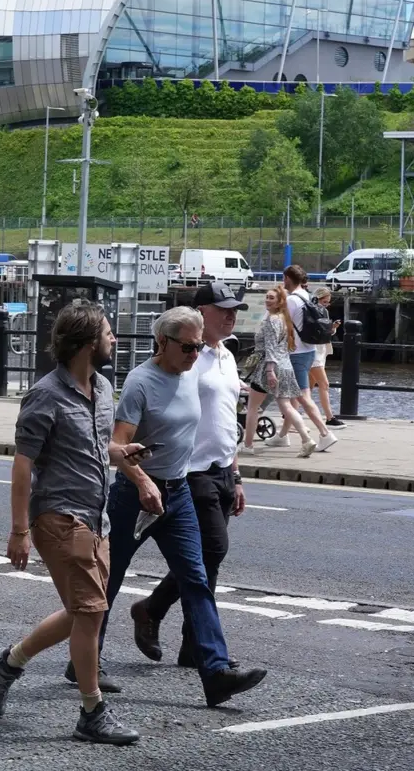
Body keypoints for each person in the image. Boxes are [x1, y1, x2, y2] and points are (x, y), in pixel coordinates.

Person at [66, 306, 267, 708]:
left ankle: (216, 673)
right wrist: (143, 482)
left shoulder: (192, 373)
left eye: (198, 347)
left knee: (196, 577)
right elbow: (117, 447)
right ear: (163, 343)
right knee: (108, 578)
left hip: (178, 494)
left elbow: (215, 424)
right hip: (134, 496)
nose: (196, 354)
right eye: (189, 347)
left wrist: (233, 470)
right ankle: (83, 662)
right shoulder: (142, 383)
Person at [0, 300, 140, 746]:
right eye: (109, 333)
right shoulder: (46, 394)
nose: (114, 340)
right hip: (58, 518)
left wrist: (121, 454)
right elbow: (23, 464)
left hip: (96, 517)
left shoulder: (104, 388)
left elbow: (94, 447)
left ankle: (7, 662)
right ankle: (92, 712)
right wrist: (18, 531)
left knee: (81, 612)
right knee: (91, 612)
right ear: (89, 343)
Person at [128, 282, 248, 669]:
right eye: (223, 309)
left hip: (220, 470)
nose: (231, 315)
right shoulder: (186, 359)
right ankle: (155, 612)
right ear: (199, 313)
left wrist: (237, 474)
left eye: (235, 309)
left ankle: (189, 644)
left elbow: (225, 419)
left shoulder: (226, 356)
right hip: (187, 472)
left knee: (204, 563)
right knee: (211, 552)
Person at [241, 287, 317, 459]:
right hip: (285, 365)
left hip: (269, 367)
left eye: (272, 298)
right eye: (267, 297)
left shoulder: (271, 321)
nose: (268, 300)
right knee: (287, 406)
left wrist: (269, 371)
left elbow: (270, 347)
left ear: (280, 302)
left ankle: (248, 445)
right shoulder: (284, 319)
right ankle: (306, 439)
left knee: (253, 407)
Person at [276, 265, 339, 453]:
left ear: (287, 278)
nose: (283, 282)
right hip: (310, 349)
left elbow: (280, 325)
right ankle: (281, 436)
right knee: (295, 395)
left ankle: (325, 433)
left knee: (302, 396)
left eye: (284, 278)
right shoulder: (307, 296)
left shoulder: (291, 300)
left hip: (296, 353)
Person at [308, 286, 346, 429]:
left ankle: (289, 416)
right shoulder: (313, 312)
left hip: (319, 351)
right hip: (314, 353)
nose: (326, 305)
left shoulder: (322, 312)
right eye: (324, 302)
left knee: (307, 388)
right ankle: (329, 417)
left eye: (328, 302)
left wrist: (333, 327)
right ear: (317, 299)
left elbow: (324, 332)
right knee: (324, 384)